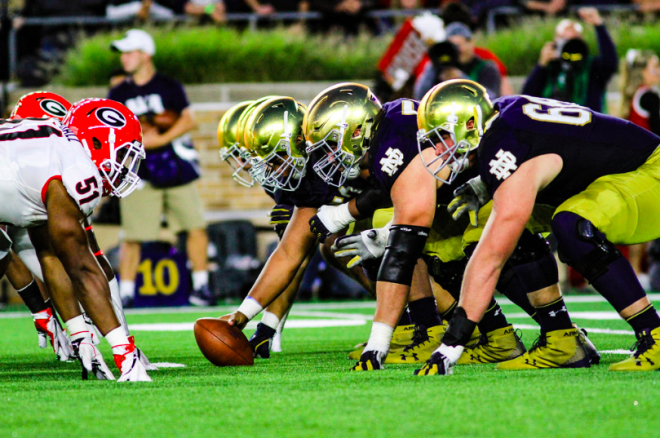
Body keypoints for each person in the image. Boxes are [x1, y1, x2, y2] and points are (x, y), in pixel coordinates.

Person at [303, 83, 597, 371]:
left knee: (472, 248)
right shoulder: (389, 130)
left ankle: (561, 331)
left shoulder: (390, 142)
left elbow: (405, 236)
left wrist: (377, 343)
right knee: (441, 251)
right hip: (479, 193)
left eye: (331, 144)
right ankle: (502, 335)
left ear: (356, 130)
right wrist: (346, 214)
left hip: (509, 187)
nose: (330, 155)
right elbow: (401, 188)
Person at [415, 79, 660, 375]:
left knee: (572, 225)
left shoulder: (507, 143)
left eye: (443, 136)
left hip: (649, 170)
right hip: (601, 178)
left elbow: (491, 260)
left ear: (470, 122)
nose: (438, 148)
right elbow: (553, 148)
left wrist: (452, 343)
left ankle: (653, 333)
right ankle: (561, 338)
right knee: (485, 228)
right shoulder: (502, 120)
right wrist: (484, 183)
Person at [0, 98, 151, 381]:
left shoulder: (45, 145)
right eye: (121, 154)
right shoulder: (75, 168)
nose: (124, 166)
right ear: (97, 143)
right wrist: (124, 353)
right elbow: (81, 268)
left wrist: (81, 336)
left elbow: (50, 255)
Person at [107, 29, 212, 307]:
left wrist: (161, 138)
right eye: (123, 53)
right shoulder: (119, 92)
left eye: (130, 52)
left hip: (176, 168)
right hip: (139, 172)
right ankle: (126, 292)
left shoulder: (168, 85)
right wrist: (142, 139)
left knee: (195, 227)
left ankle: (202, 287)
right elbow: (112, 131)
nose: (125, 58)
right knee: (133, 235)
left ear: (145, 54)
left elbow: (188, 120)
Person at [522, 7, 617, 113]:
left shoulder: (591, 68)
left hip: (585, 126)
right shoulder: (550, 68)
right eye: (564, 40)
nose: (569, 47)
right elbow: (527, 97)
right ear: (556, 41)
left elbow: (610, 62)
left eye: (573, 40)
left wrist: (599, 25)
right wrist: (542, 65)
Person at [619, 49, 660, 291]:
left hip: (636, 164)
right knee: (645, 221)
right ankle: (637, 271)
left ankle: (636, 270)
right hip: (648, 165)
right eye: (654, 68)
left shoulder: (634, 96)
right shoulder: (647, 97)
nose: (658, 73)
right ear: (642, 72)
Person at [414, 22, 501, 100]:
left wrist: (461, 78)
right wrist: (434, 65)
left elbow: (491, 98)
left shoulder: (486, 68)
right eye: (452, 46)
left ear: (471, 43)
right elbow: (420, 96)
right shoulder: (439, 68)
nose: (458, 50)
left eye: (459, 45)